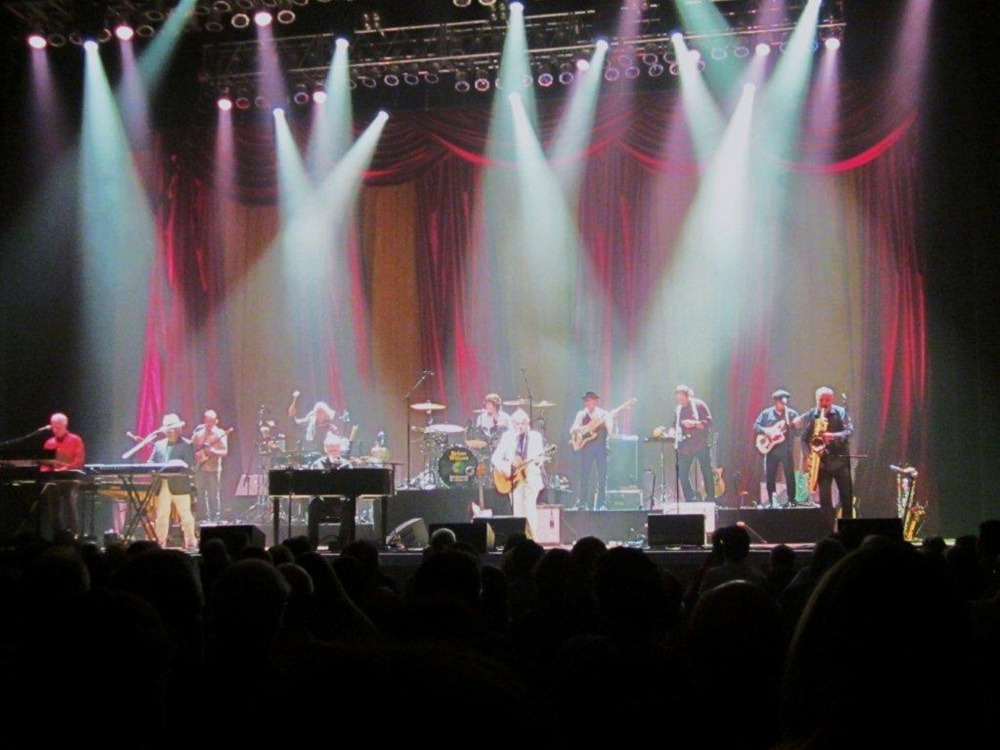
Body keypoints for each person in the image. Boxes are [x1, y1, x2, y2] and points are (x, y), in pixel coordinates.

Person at [793, 387, 854, 520]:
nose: (824, 403)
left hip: (840, 462)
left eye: (827, 400)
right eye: (821, 400)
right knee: (825, 501)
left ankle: (847, 530)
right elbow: (804, 439)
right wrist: (808, 456)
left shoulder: (841, 412)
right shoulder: (814, 415)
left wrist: (832, 436)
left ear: (832, 400)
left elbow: (849, 431)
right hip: (822, 464)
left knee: (846, 498)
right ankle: (828, 531)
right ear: (817, 400)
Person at [492, 409, 545, 536]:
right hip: (514, 479)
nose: (519, 426)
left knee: (530, 508)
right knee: (518, 510)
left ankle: (532, 540)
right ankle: (521, 539)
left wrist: (539, 461)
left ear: (528, 423)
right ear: (512, 424)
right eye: (516, 423)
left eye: (522, 423)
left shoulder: (535, 436)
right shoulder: (508, 436)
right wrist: (505, 469)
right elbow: (495, 458)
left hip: (531, 477)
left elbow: (540, 457)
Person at [150, 413, 197, 550]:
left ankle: (191, 543)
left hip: (179, 485)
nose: (170, 432)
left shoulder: (187, 444)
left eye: (173, 429)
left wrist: (178, 465)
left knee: (185, 515)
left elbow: (190, 464)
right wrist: (154, 469)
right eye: (168, 430)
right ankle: (160, 543)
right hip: (162, 484)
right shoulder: (158, 445)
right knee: (161, 516)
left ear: (178, 430)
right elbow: (151, 461)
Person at [39, 412, 85, 538]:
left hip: (70, 480)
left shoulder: (75, 439)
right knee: (54, 510)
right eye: (53, 426)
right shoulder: (49, 442)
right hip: (54, 480)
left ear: (65, 424)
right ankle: (57, 537)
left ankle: (74, 536)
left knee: (70, 507)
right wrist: (44, 472)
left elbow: (79, 461)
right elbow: (45, 463)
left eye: (58, 426)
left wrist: (66, 468)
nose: (55, 429)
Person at [753, 390, 800, 508]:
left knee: (790, 475)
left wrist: (796, 425)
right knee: (770, 475)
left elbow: (798, 433)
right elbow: (756, 426)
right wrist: (766, 431)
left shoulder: (792, 414)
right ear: (776, 402)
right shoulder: (766, 413)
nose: (784, 404)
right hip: (771, 450)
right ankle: (772, 500)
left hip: (786, 449)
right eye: (781, 401)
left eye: (785, 401)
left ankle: (791, 500)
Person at [570, 391, 614, 510]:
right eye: (585, 400)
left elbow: (611, 431)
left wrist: (606, 424)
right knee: (584, 475)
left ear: (595, 401)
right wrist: (584, 428)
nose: (587, 402)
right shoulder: (581, 414)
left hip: (600, 447)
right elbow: (573, 429)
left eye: (589, 400)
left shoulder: (603, 414)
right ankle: (582, 502)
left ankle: (601, 503)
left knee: (602, 476)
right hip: (587, 447)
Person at [673, 385, 715, 503]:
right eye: (678, 400)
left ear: (688, 396)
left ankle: (711, 498)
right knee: (682, 473)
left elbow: (709, 423)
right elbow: (675, 424)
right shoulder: (678, 409)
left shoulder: (699, 405)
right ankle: (690, 498)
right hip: (685, 446)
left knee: (706, 471)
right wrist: (671, 431)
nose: (680, 402)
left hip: (700, 444)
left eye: (682, 399)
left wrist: (694, 423)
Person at [698, 525, 766, 597]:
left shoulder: (711, 577)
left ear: (723, 548)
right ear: (747, 548)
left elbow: (698, 604)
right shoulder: (757, 578)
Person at [191, 410, 228, 523]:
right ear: (204, 421)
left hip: (214, 469)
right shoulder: (198, 434)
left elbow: (224, 451)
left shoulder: (220, 434)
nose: (210, 423)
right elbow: (192, 449)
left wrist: (213, 452)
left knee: (213, 494)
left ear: (216, 421)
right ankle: (202, 518)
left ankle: (215, 518)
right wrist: (197, 455)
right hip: (200, 468)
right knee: (200, 494)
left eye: (212, 421)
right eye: (207, 421)